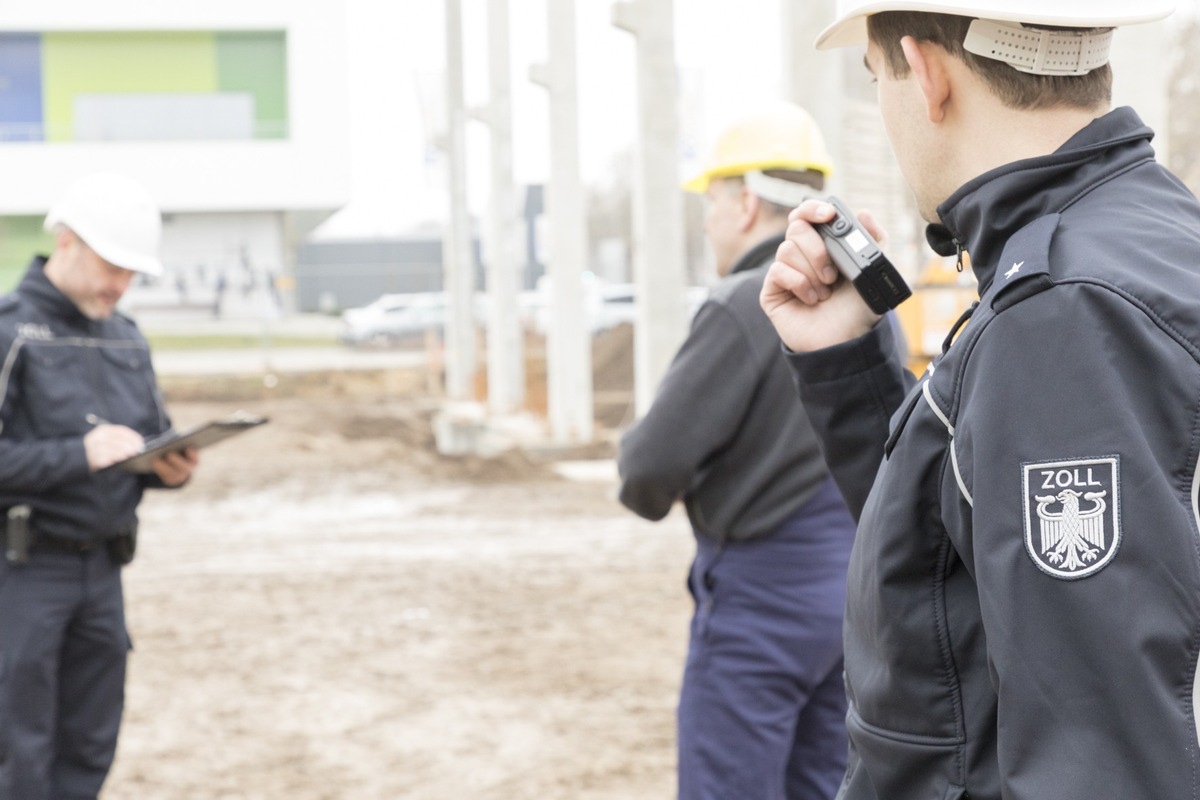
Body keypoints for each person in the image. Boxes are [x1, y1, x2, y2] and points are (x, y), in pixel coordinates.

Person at [759, 2, 1200, 798]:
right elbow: (960, 571)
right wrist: (844, 363)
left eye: (875, 77)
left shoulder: (1064, 314)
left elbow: (1103, 759)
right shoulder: (1141, 241)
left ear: (925, 74)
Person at [617, 102, 858, 800]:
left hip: (761, 609)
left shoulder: (743, 304)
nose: (708, 222)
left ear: (747, 202)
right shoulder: (861, 302)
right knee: (823, 784)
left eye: (713, 204)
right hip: (846, 604)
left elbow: (648, 468)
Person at [0, 172, 199, 798]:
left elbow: (148, 438)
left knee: (90, 740)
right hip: (24, 571)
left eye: (132, 273)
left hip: (104, 571)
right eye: (112, 266)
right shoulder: (10, 334)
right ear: (66, 242)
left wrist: (170, 468)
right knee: (20, 745)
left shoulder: (126, 337)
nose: (121, 284)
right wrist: (74, 455)